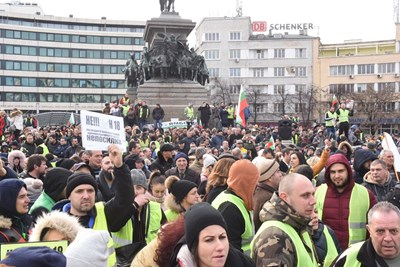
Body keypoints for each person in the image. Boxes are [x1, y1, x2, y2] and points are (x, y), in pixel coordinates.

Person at [60, 145, 134, 267]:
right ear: (69, 196)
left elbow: (125, 198)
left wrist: (120, 167)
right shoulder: (57, 223)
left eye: (90, 191)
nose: (86, 196)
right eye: (79, 191)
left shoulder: (103, 211)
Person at [251, 173, 319, 266]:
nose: (313, 201)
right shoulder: (274, 236)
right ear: (285, 197)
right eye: (305, 195)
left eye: (313, 194)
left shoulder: (298, 223)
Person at [315, 153, 377, 251]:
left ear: (348, 171)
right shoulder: (318, 192)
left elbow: (375, 227)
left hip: (356, 254)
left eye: (340, 171)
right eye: (333, 172)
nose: (337, 175)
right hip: (326, 254)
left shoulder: (365, 194)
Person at [170, 202, 255, 266]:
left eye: (222, 237)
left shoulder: (244, 263)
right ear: (193, 246)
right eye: (209, 240)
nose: (220, 247)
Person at [111, 169, 166, 266]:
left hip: (149, 259)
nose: (135, 192)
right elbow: (115, 226)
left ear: (145, 190)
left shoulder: (155, 207)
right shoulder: (117, 207)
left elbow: (166, 232)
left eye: (139, 187)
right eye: (130, 187)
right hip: (123, 261)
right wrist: (134, 205)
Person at [212, 159, 259, 253]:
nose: (257, 185)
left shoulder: (238, 200)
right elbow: (230, 252)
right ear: (245, 182)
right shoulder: (229, 208)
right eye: (254, 181)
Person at [333, 201, 400, 266]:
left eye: (393, 231)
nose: (387, 238)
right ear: (369, 230)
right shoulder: (349, 257)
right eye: (380, 231)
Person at [252, 157, 282, 232]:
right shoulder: (268, 197)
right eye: (277, 172)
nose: (281, 174)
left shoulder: (258, 192)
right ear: (269, 177)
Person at [0, 179, 32, 243]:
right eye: (22, 197)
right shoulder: (2, 234)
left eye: (27, 195)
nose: (28, 200)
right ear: (7, 200)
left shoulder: (30, 221)